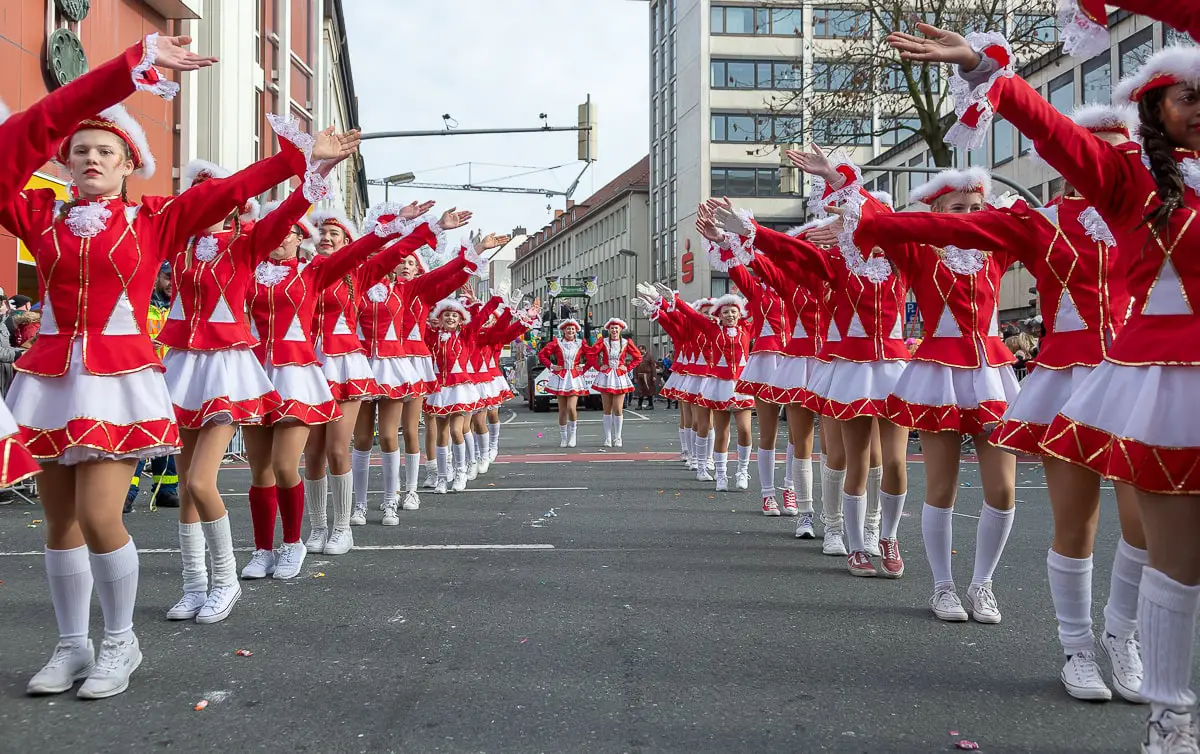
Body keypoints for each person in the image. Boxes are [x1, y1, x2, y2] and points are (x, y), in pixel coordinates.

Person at [885, 22, 1200, 748]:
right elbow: (955, 226)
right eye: (1104, 149)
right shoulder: (1055, 219)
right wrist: (985, 72)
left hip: (1148, 377)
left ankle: (1124, 639)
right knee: (1077, 523)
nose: (1115, 153)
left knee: (1149, 534)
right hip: (1078, 382)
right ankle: (1077, 646)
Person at [0, 34, 274, 700]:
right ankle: (71, 646)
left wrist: (298, 161)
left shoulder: (158, 221)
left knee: (100, 515)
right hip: (47, 381)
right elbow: (14, 150)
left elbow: (235, 190)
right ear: (63, 161)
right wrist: (121, 73)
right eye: (81, 151)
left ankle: (120, 640)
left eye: (107, 151)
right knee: (59, 521)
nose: (92, 158)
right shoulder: (38, 214)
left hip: (119, 381)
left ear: (130, 164)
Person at [301, 207, 464, 549]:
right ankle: (329, 520)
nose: (327, 238)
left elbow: (411, 262)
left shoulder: (385, 284)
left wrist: (435, 232)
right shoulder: (305, 273)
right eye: (323, 233)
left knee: (387, 436)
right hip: (316, 365)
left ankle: (383, 503)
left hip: (370, 366)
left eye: (336, 234)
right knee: (328, 448)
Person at [350, 207, 486, 520]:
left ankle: (396, 495)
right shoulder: (357, 285)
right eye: (397, 258)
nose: (400, 263)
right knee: (359, 438)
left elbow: (443, 276)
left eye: (408, 260)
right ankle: (357, 504)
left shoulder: (409, 290)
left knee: (393, 434)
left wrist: (473, 251)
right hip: (360, 365)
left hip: (399, 367)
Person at [590, 318, 642, 447]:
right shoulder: (603, 342)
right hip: (606, 376)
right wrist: (598, 367)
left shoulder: (625, 342)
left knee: (618, 409)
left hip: (619, 376)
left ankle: (618, 437)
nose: (614, 330)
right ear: (608, 330)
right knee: (606, 409)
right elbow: (591, 354)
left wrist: (628, 367)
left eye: (616, 328)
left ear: (620, 330)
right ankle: (607, 437)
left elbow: (638, 357)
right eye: (612, 328)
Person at [538, 319, 590, 448]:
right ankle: (563, 437)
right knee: (562, 410)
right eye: (568, 329)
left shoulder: (580, 343)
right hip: (561, 377)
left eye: (572, 329)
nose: (570, 331)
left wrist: (584, 368)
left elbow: (592, 355)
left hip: (573, 377)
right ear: (563, 331)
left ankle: (573, 436)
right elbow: (542, 354)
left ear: (576, 330)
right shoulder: (557, 343)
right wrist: (551, 366)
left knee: (571, 408)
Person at [635, 346, 657, 410]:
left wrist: (654, 376)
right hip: (640, 375)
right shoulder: (638, 356)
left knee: (648, 389)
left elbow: (653, 366)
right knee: (640, 390)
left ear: (644, 349)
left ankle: (650, 404)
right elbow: (636, 367)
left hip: (647, 375)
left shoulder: (649, 356)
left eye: (640, 350)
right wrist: (636, 377)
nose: (639, 351)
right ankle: (639, 405)